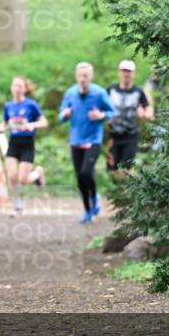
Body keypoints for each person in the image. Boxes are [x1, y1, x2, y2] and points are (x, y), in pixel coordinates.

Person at [59, 62, 114, 224]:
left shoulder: (99, 93)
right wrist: (65, 114)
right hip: (75, 140)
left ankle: (95, 198)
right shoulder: (70, 94)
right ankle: (88, 209)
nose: (83, 79)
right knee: (80, 177)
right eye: (80, 76)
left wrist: (101, 116)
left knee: (85, 172)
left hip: (93, 140)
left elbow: (112, 112)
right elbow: (61, 116)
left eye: (86, 76)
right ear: (76, 77)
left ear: (91, 77)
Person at [0, 76, 48, 216]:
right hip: (13, 143)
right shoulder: (8, 106)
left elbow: (44, 122)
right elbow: (5, 122)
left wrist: (33, 125)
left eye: (20, 86)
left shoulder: (31, 105)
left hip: (27, 144)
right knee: (12, 176)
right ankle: (17, 204)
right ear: (11, 88)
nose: (17, 89)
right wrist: (1, 128)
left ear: (25, 89)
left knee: (23, 180)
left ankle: (38, 173)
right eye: (15, 86)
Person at [106, 59, 153, 171]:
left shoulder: (138, 92)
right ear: (119, 73)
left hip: (131, 136)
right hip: (113, 135)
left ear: (134, 74)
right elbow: (99, 107)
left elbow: (149, 111)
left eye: (129, 71)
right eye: (123, 71)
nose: (126, 74)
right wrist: (105, 116)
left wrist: (144, 114)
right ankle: (114, 187)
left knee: (126, 167)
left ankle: (125, 187)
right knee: (111, 168)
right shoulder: (111, 90)